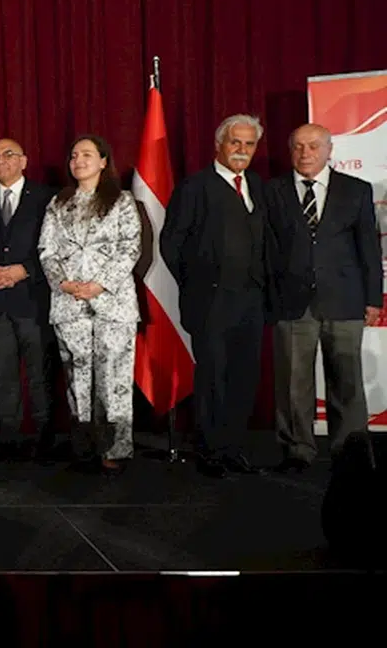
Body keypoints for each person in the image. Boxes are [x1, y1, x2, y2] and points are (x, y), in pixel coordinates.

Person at [265, 123, 383, 473]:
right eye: (298, 146)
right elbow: (266, 249)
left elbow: (369, 249)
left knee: (347, 382)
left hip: (345, 300)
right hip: (291, 303)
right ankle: (297, 450)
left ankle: (349, 451)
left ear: (329, 151)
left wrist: (373, 299)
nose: (305, 153)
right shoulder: (272, 191)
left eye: (314, 146)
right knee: (293, 383)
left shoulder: (356, 190)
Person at [160, 114, 269, 478]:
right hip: (210, 302)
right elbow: (171, 244)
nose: (242, 150)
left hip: (251, 300)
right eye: (235, 142)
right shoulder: (194, 187)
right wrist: (198, 285)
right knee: (213, 378)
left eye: (249, 144)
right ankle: (210, 451)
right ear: (219, 144)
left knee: (243, 377)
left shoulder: (257, 185)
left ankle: (233, 448)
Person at [38, 135, 141, 475]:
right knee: (77, 377)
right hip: (69, 304)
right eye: (73, 155)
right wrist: (65, 283)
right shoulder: (58, 203)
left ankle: (115, 448)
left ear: (103, 161)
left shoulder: (122, 201)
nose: (78, 160)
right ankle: (83, 446)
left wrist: (99, 285)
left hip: (113, 303)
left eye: (86, 154)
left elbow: (130, 247)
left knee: (114, 378)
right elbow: (47, 251)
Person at [0, 138, 57, 462]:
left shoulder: (46, 198)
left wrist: (26, 270)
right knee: (3, 373)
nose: (0, 161)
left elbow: (56, 248)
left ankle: (44, 437)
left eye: (8, 155)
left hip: (32, 300)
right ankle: (8, 436)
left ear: (24, 161)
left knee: (38, 373)